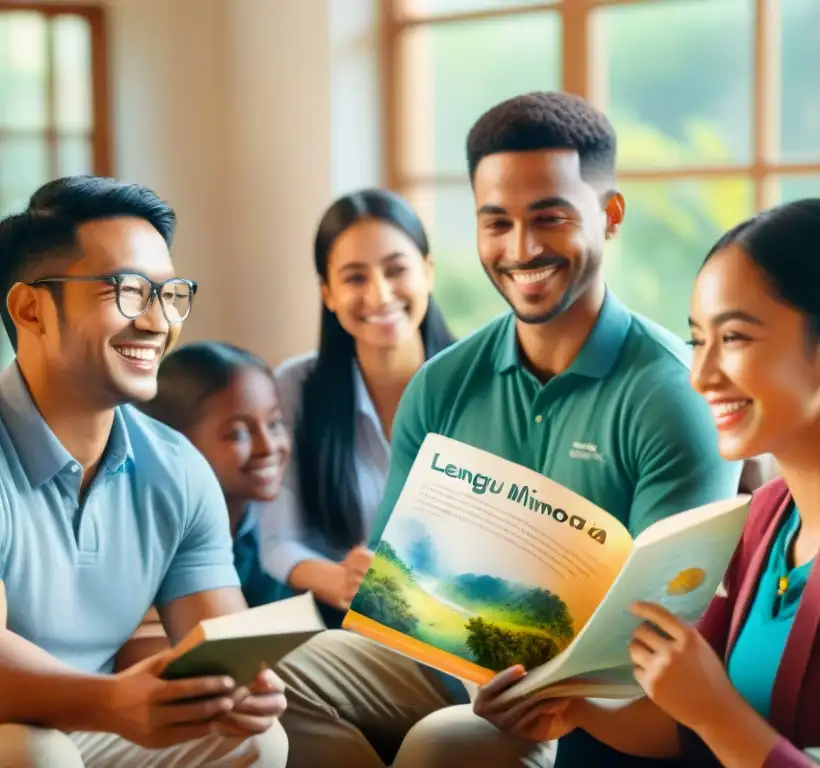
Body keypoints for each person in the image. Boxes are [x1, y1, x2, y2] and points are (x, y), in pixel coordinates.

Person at [273, 91, 741, 768]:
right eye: (496, 223)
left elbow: (653, 639)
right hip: (442, 663)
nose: (520, 250)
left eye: (549, 218)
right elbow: (398, 581)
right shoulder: (442, 383)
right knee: (269, 685)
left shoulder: (674, 393)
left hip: (593, 701)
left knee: (445, 741)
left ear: (609, 217)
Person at [470, 198, 820, 767]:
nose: (703, 376)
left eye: (733, 339)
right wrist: (575, 707)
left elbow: (714, 720)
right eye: (697, 341)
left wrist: (713, 711)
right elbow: (686, 730)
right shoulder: (768, 514)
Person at [0, 176, 288, 767]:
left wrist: (237, 689)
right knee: (36, 753)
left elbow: (216, 644)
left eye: (169, 294)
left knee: (256, 738)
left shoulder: (177, 467)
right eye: (128, 291)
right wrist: (109, 701)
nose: (158, 322)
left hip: (92, 722)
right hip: (26, 733)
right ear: (32, 309)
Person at [255, 188, 455, 629]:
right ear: (327, 293)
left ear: (428, 273)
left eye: (396, 270)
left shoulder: (478, 383)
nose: (380, 295)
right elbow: (277, 541)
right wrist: (343, 581)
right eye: (355, 278)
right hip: (344, 625)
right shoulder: (295, 388)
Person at [139, 341, 294, 609]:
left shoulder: (275, 529)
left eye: (274, 423)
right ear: (176, 441)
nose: (268, 447)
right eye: (237, 433)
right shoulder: (156, 547)